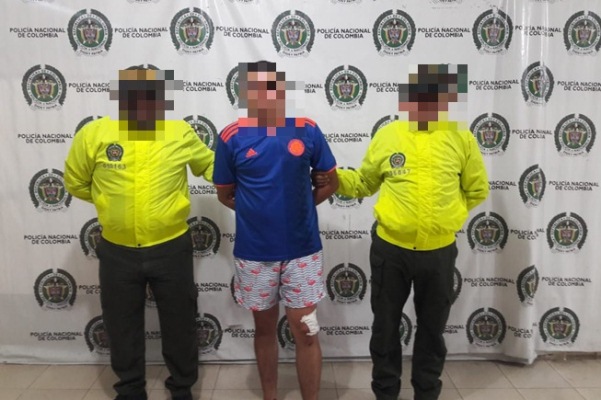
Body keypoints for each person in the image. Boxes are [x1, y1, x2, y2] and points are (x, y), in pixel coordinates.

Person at [323, 64, 489, 400]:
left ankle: (426, 393)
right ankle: (386, 393)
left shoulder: (461, 137)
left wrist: (448, 217)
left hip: (439, 253)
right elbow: (365, 183)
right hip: (391, 251)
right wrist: (334, 177)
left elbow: (477, 189)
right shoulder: (389, 135)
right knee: (385, 329)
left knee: (432, 330)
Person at [64, 68, 214, 400]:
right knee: (121, 325)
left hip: (171, 247)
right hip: (117, 250)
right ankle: (130, 390)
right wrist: (110, 204)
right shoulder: (94, 134)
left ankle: (182, 388)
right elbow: (75, 182)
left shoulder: (179, 132)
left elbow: (212, 167)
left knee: (180, 323)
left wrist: (255, 168)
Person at [213, 61, 339, 400]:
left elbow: (331, 182)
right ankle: (270, 395)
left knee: (306, 332)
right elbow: (225, 193)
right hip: (255, 254)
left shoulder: (307, 130)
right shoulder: (231, 136)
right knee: (264, 330)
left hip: (302, 251)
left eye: (271, 87)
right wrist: (258, 212)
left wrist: (299, 208)